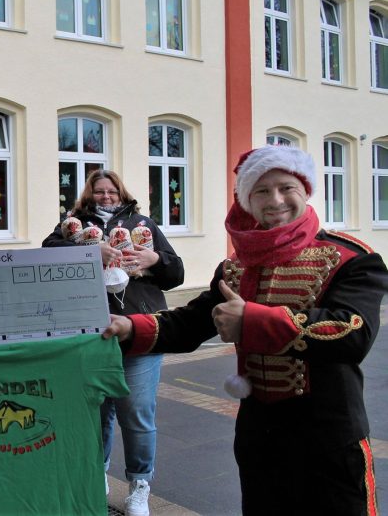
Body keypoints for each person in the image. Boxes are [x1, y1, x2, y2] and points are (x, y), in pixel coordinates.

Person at [105, 145, 387, 515]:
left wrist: (251, 321)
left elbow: (353, 333)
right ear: (248, 200)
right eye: (261, 191)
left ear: (306, 190)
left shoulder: (351, 258)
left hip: (329, 437)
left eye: (287, 187)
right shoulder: (236, 266)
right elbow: (191, 322)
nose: (276, 200)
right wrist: (129, 325)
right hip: (260, 435)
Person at [43, 169, 184, 516]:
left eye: (112, 192)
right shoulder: (72, 224)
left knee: (135, 414)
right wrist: (92, 253)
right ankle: (98, 475)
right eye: (99, 191)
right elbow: (45, 255)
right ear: (88, 195)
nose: (106, 197)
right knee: (97, 413)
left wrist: (155, 259)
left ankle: (139, 485)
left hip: (139, 330)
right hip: (89, 333)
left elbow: (176, 273)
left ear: (122, 194)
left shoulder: (143, 224)